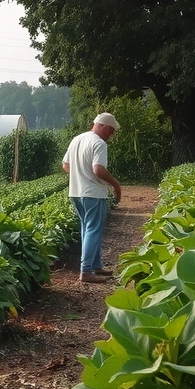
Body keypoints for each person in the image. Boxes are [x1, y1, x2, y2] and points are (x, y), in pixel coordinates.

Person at [62, 112, 123, 283]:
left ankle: (96, 266)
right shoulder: (99, 143)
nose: (112, 134)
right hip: (93, 193)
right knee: (93, 230)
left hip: (76, 192)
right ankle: (86, 271)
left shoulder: (77, 139)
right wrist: (115, 185)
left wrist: (79, 175)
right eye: (111, 130)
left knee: (87, 229)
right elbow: (98, 169)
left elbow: (65, 165)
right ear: (102, 125)